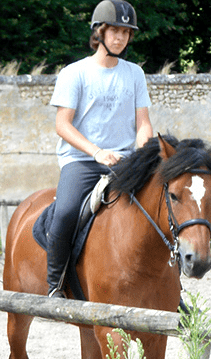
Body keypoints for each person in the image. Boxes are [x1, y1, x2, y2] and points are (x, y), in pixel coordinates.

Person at [45, 0, 153, 298]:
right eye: (114, 31)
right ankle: (55, 284)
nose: (120, 37)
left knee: (159, 205)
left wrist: (144, 156)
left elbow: (143, 123)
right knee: (66, 212)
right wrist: (96, 152)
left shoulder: (135, 74)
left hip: (125, 160)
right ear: (99, 33)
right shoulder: (74, 73)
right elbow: (63, 125)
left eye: (125, 32)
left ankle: (170, 285)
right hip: (81, 160)